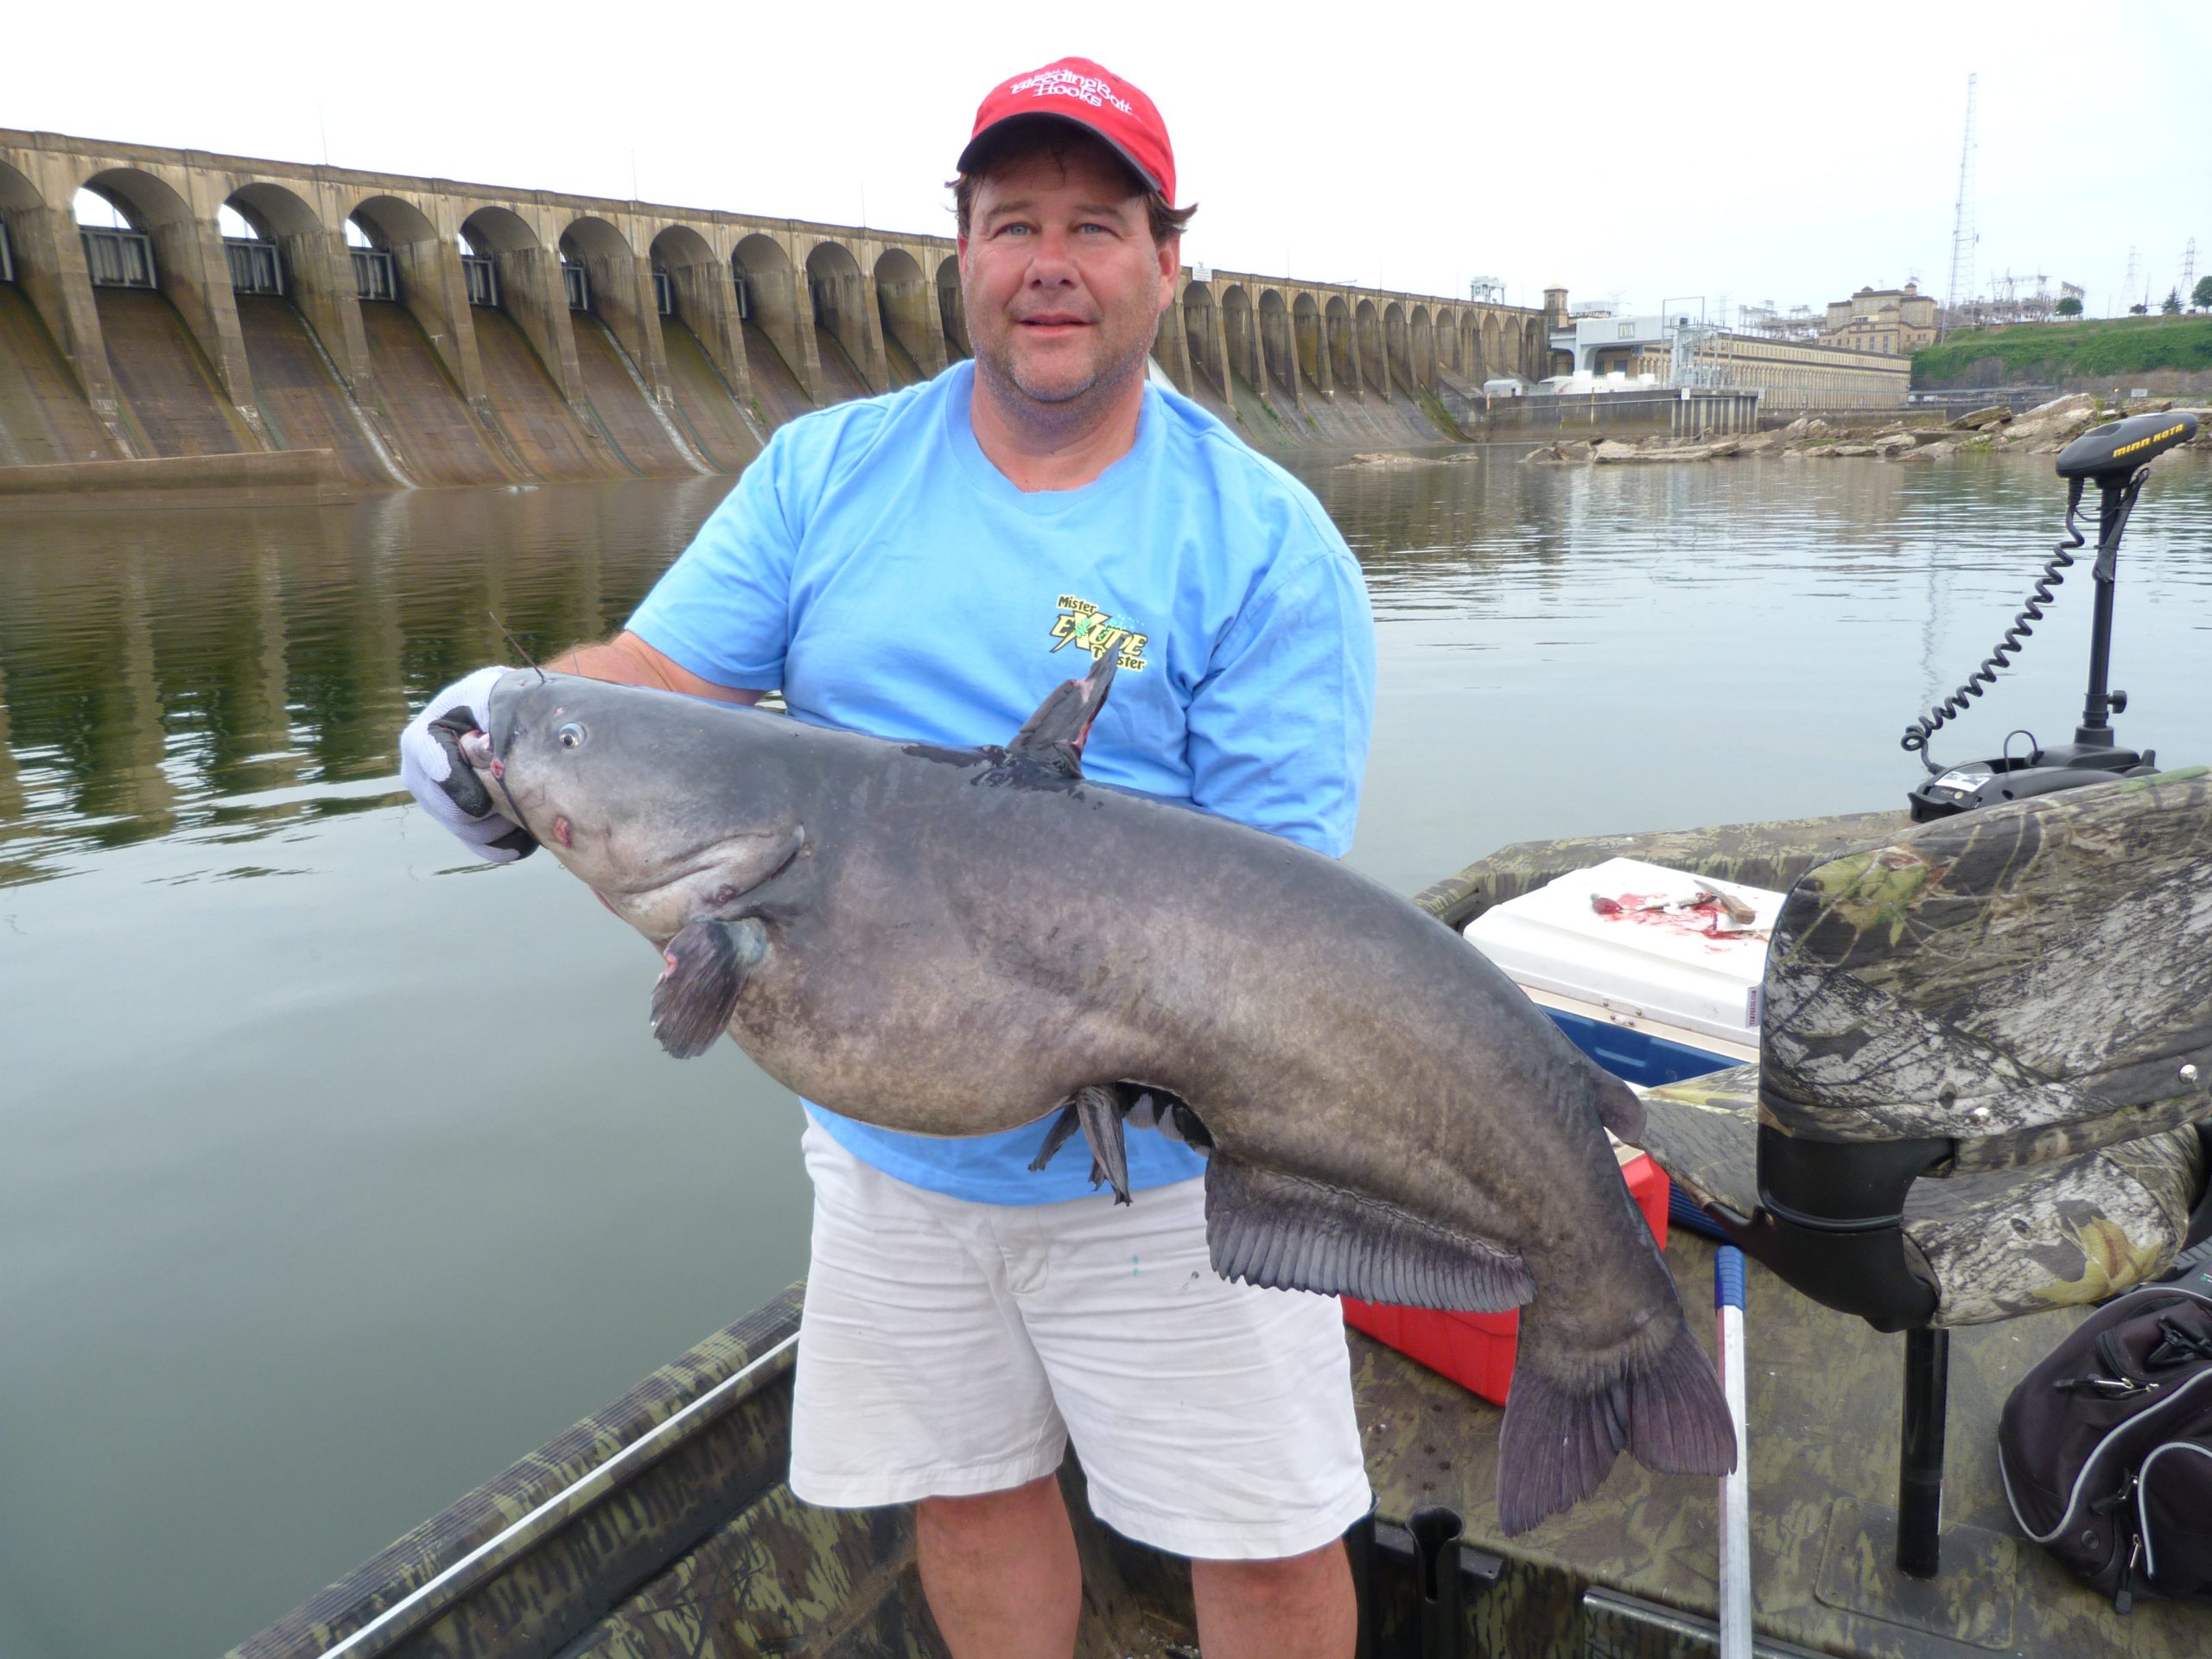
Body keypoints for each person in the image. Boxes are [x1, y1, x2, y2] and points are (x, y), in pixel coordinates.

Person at [399, 57, 1377, 1659]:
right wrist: (510, 711)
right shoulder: (826, 472)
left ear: (1166, 260)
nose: (1048, 262)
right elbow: (658, 677)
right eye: (1011, 225)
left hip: (1173, 1183)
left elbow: (1272, 905)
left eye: (1094, 224)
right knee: (969, 1494)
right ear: (965, 255)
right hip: (889, 1159)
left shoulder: (1263, 545)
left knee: (1260, 1545)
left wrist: (1136, 1053)